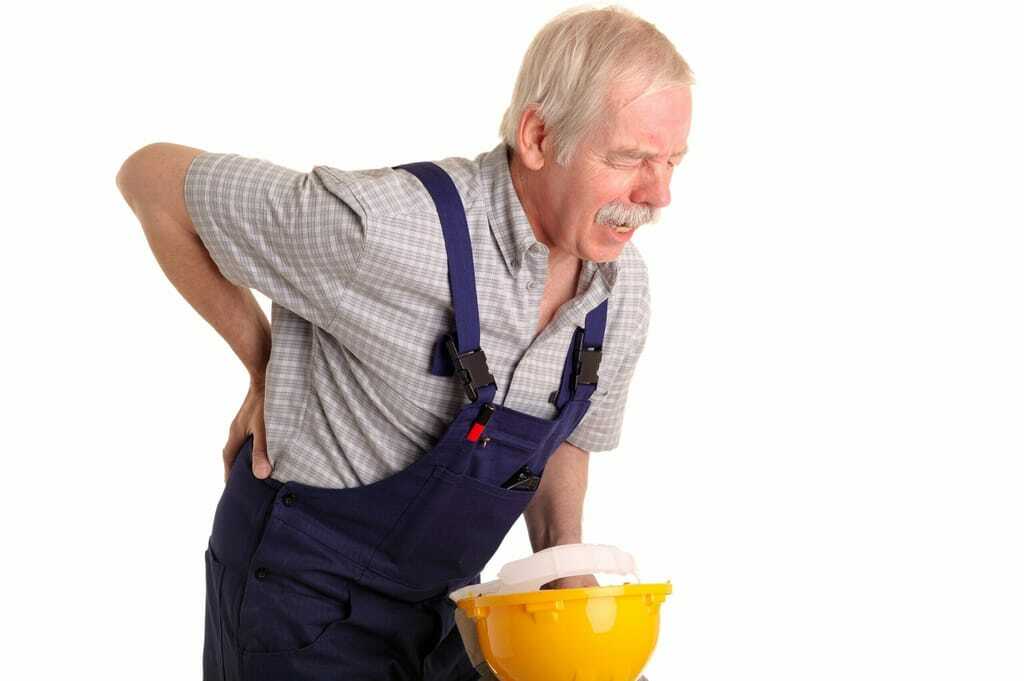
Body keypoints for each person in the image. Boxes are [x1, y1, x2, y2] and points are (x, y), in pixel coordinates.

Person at [116, 5, 693, 680]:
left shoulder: (619, 292)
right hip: (298, 602)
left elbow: (565, 435)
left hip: (445, 608)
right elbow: (150, 182)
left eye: (672, 161)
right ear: (538, 136)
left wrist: (562, 558)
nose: (659, 194)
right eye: (630, 159)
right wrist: (264, 362)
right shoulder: (387, 231)